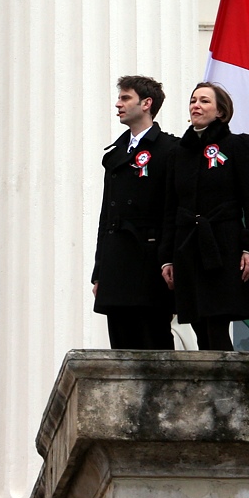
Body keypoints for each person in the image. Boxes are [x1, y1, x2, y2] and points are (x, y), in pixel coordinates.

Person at [160, 82, 249, 350]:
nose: (196, 105)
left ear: (221, 111)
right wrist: (166, 259)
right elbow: (171, 208)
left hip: (223, 245)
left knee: (217, 321)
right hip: (187, 247)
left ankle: (229, 384)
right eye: (193, 100)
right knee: (198, 324)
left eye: (205, 101)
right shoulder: (178, 152)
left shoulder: (237, 144)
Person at [91, 75, 180, 349]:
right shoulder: (116, 153)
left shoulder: (169, 149)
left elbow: (172, 212)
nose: (118, 104)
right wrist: (99, 271)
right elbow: (106, 216)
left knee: (152, 340)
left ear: (146, 103)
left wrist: (169, 259)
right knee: (121, 344)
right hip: (116, 262)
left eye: (125, 98)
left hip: (149, 260)